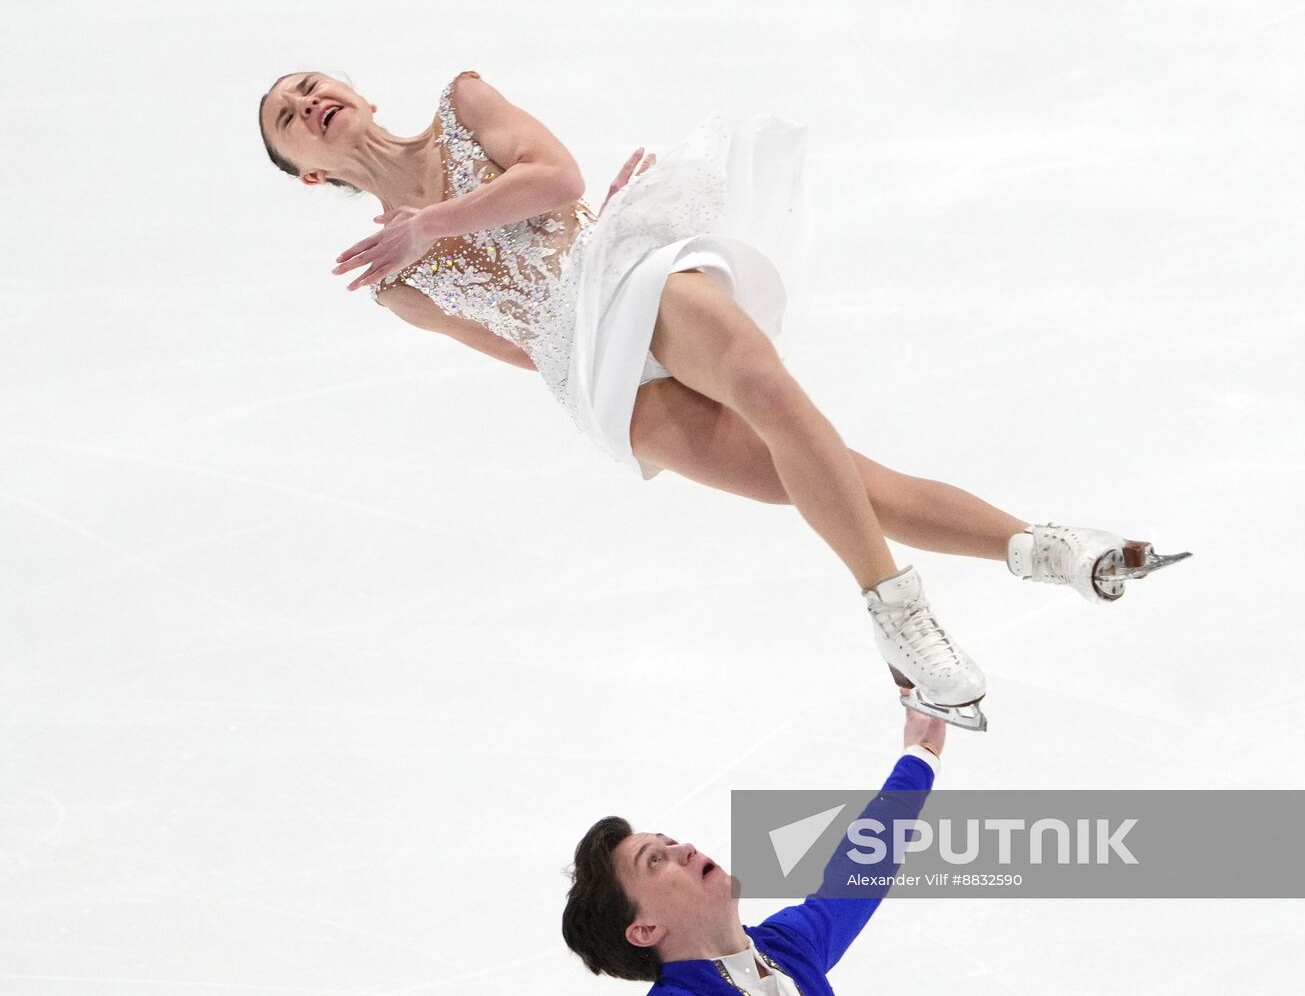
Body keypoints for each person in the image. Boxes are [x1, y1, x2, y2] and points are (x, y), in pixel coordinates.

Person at [257, 69, 1189, 730]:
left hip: (619, 264)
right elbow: (513, 346)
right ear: (307, 172)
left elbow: (559, 181)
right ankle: (1047, 549)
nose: (308, 103)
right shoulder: (392, 285)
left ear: (359, 89)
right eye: (289, 118)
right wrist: (578, 363)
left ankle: (900, 625)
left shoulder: (461, 104)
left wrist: (444, 222)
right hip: (585, 364)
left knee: (767, 390)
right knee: (823, 479)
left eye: (308, 85)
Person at [562, 701, 946, 994]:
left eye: (671, 842)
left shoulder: (785, 948)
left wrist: (921, 754)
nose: (686, 849)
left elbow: (860, 868)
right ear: (645, 929)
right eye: (655, 861)